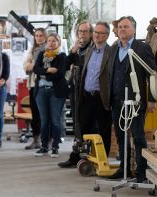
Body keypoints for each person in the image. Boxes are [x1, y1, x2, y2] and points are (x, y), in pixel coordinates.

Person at [106, 16, 157, 183]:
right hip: (117, 100)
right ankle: (124, 169)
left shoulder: (141, 48)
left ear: (133, 30)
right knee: (121, 136)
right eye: (120, 27)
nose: (121, 30)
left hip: (135, 101)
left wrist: (151, 99)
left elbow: (152, 75)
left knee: (138, 136)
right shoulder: (114, 49)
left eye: (125, 27)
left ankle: (141, 173)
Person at [59, 22, 113, 167]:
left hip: (102, 98)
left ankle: (102, 161)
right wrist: (73, 51)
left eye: (100, 33)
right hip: (85, 96)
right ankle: (81, 157)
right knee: (83, 128)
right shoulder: (87, 51)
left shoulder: (111, 52)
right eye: (96, 32)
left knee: (103, 131)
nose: (97, 35)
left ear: (107, 35)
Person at [58, 21, 92, 167]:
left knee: (86, 125)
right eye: (80, 31)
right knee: (77, 124)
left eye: (85, 31)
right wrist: (73, 51)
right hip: (76, 92)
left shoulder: (94, 48)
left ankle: (84, 156)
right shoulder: (77, 49)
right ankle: (76, 155)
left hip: (89, 94)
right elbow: (64, 66)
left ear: (91, 34)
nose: (82, 34)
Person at [33, 33, 68, 157]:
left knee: (55, 120)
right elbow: (35, 69)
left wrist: (43, 73)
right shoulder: (42, 55)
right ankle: (44, 147)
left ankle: (55, 147)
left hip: (56, 92)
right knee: (44, 120)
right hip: (41, 91)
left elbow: (60, 73)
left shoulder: (62, 56)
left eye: (54, 41)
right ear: (46, 42)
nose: (51, 43)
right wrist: (48, 70)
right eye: (49, 40)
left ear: (58, 43)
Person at [23, 28, 46, 150]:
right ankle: (36, 140)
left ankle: (47, 140)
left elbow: (42, 67)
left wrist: (33, 66)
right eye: (36, 35)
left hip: (43, 84)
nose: (39, 38)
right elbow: (25, 66)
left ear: (45, 36)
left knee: (45, 114)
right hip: (32, 84)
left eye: (41, 35)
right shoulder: (32, 49)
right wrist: (33, 66)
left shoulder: (49, 48)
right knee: (35, 114)